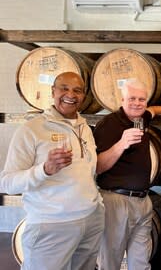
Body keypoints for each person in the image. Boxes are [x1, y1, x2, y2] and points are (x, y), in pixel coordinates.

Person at [93, 78, 161, 270]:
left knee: (141, 262)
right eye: (132, 98)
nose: (137, 103)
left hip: (143, 202)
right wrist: (121, 144)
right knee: (110, 261)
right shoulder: (108, 124)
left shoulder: (141, 118)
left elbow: (155, 110)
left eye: (141, 99)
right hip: (116, 202)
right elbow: (98, 167)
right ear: (122, 99)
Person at [0, 72, 104, 270]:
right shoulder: (32, 129)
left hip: (91, 219)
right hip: (52, 224)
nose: (70, 94)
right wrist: (44, 170)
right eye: (64, 88)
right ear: (53, 91)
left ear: (83, 96)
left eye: (77, 90)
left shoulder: (85, 128)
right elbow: (7, 183)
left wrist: (97, 207)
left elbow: (87, 172)